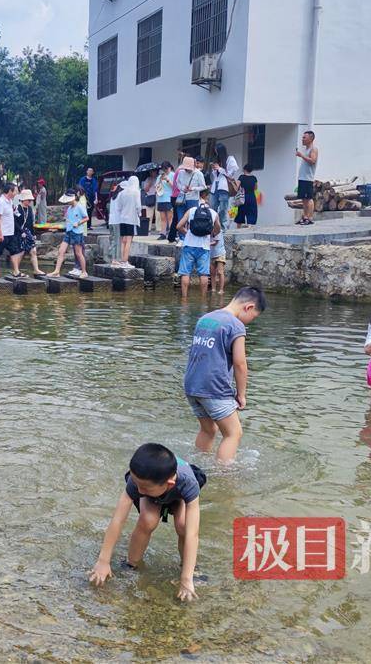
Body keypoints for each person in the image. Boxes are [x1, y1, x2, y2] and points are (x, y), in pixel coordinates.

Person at [88, 443, 206, 603]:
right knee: (148, 520)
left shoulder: (188, 483)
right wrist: (103, 561)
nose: (138, 489)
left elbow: (193, 534)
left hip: (178, 496)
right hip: (154, 494)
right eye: (136, 483)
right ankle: (131, 565)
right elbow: (117, 520)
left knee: (183, 525)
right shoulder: (138, 483)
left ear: (169, 484)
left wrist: (186, 579)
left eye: (143, 487)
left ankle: (188, 568)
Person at [183, 286, 266, 464]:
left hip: (192, 385)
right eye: (254, 317)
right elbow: (240, 363)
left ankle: (196, 466)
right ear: (249, 307)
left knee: (208, 430)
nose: (250, 321)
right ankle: (224, 476)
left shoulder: (205, 318)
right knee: (233, 433)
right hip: (214, 388)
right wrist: (241, 394)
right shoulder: (235, 325)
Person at [175, 189, 221, 299]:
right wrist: (212, 233)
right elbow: (218, 229)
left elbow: (178, 226)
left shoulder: (191, 210)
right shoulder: (213, 213)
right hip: (204, 247)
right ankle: (203, 299)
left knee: (185, 273)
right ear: (208, 199)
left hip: (189, 245)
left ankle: (184, 298)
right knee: (204, 274)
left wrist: (187, 233)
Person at [48, 190, 89, 278]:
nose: (67, 202)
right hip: (69, 232)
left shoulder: (79, 207)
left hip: (77, 233)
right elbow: (67, 221)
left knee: (79, 253)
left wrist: (78, 223)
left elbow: (86, 218)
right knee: (61, 251)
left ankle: (84, 271)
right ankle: (56, 271)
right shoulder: (69, 208)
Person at [110, 175, 139, 268]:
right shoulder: (136, 192)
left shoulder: (122, 193)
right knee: (129, 241)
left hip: (122, 219)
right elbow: (138, 207)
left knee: (123, 241)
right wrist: (139, 214)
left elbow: (118, 207)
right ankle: (125, 261)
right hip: (131, 219)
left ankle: (122, 260)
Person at [175, 157, 206, 244]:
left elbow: (203, 186)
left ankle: (192, 236)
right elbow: (178, 183)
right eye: (185, 168)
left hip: (193, 199)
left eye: (188, 168)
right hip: (182, 198)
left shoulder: (198, 174)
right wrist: (182, 188)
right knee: (180, 217)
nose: (187, 170)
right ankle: (182, 238)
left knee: (192, 218)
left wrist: (193, 188)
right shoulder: (181, 172)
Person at [0, 183, 20, 277]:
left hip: (10, 232)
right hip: (3, 233)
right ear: (9, 191)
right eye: (15, 191)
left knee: (14, 251)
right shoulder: (1, 201)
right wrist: (0, 234)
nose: (16, 193)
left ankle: (16, 271)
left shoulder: (10, 201)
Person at [14, 189, 43, 276]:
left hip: (28, 233)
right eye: (28, 200)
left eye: (30, 200)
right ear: (23, 199)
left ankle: (36, 270)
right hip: (20, 233)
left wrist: (33, 234)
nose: (30, 202)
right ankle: (16, 270)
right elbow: (14, 222)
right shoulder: (17, 208)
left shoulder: (30, 209)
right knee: (21, 252)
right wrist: (21, 232)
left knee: (33, 251)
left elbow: (30, 222)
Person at [212, 144, 239, 232]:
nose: (216, 153)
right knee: (213, 206)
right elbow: (215, 175)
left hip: (224, 186)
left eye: (217, 151)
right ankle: (213, 225)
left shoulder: (230, 159)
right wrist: (215, 169)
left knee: (223, 207)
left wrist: (220, 169)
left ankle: (222, 226)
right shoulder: (217, 160)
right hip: (215, 185)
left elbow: (231, 173)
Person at [296, 130, 319, 226]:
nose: (302, 139)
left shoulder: (313, 149)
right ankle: (304, 217)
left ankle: (309, 218)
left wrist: (301, 155)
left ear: (311, 139)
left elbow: (313, 161)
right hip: (302, 177)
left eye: (304, 137)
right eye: (302, 137)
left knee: (309, 198)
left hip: (308, 178)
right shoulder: (306, 150)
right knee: (303, 199)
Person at [156, 162, 175, 240]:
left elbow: (174, 187)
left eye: (166, 168)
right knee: (162, 217)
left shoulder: (173, 175)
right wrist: (159, 181)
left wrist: (167, 180)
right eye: (164, 169)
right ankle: (163, 233)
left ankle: (171, 233)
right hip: (161, 198)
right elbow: (156, 186)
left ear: (170, 167)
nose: (165, 170)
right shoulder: (160, 176)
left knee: (170, 217)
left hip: (169, 197)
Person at [139, 166, 158, 235]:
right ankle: (148, 228)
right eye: (151, 172)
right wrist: (149, 184)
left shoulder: (158, 178)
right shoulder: (148, 179)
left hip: (157, 197)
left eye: (153, 171)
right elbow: (145, 190)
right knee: (149, 214)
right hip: (150, 197)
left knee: (158, 214)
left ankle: (158, 229)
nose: (152, 173)